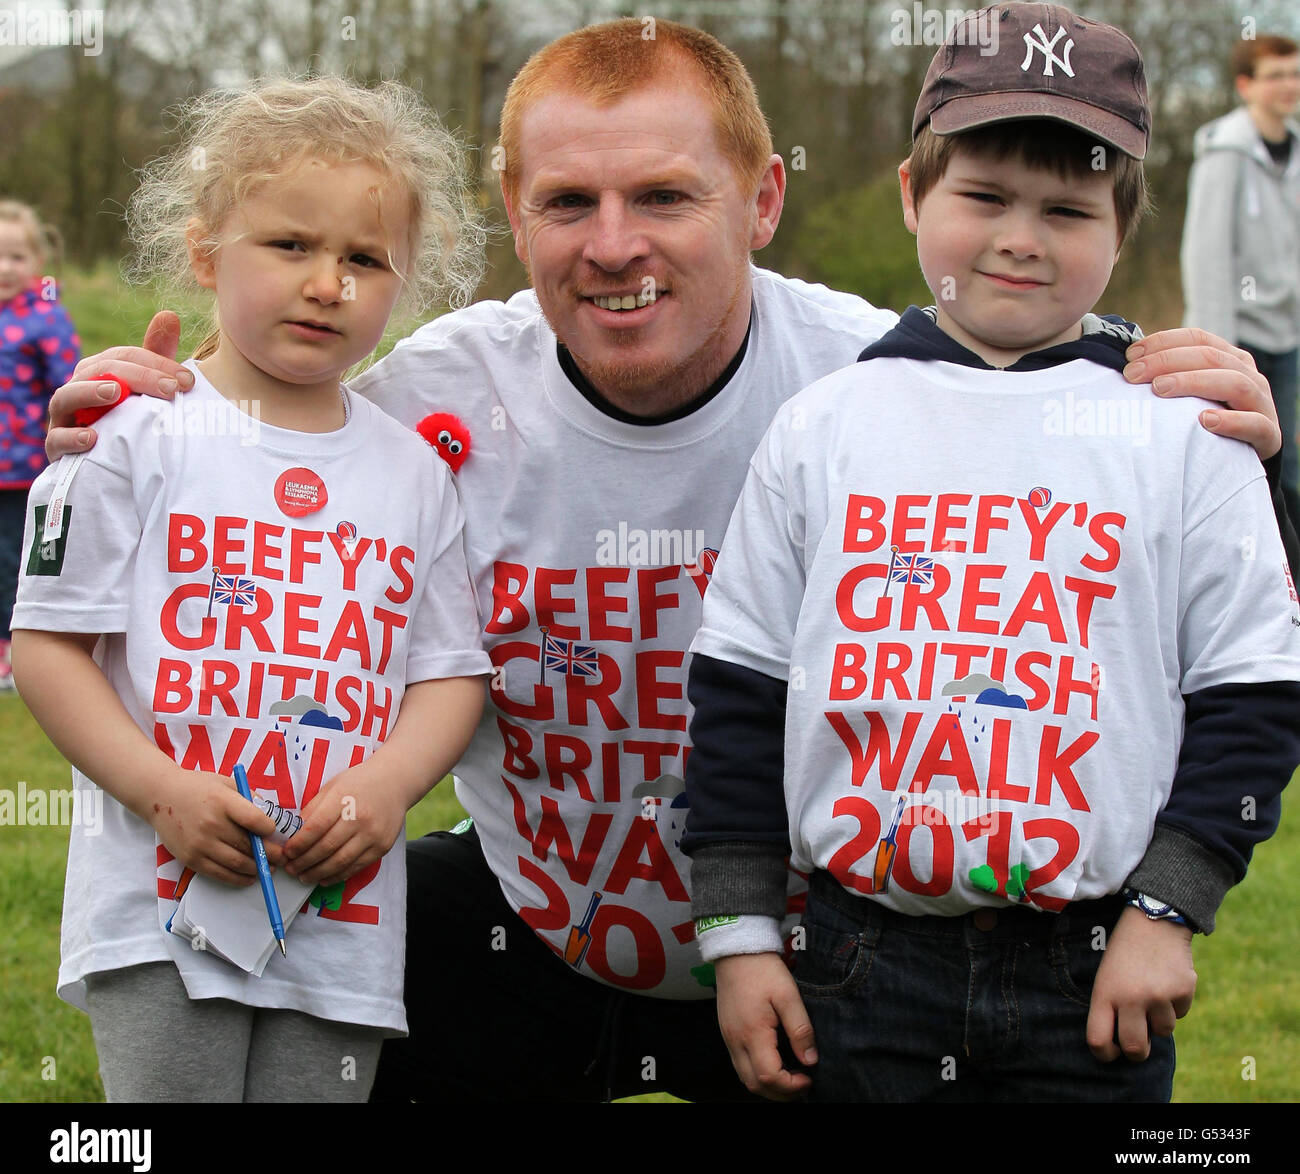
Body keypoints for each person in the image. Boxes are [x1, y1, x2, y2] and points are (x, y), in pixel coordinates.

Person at [40, 19, 1296, 1103]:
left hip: (818, 953)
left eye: (665, 196)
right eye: (567, 203)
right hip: (528, 920)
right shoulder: (427, 402)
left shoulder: (885, 386)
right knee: (368, 936)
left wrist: (1178, 388)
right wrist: (135, 409)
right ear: (510, 208)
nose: (613, 244)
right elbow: (252, 416)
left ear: (761, 199)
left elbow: (1085, 444)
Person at [684, 2, 1300, 1102]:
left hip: (1092, 973)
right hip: (854, 963)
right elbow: (739, 690)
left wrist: (1167, 908)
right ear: (916, 194)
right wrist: (737, 933)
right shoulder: (826, 425)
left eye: (1067, 208)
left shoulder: (1184, 434)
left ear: (1124, 229)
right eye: (983, 197)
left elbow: (1255, 690)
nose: (1021, 236)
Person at [10, 76, 491, 1103]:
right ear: (202, 252)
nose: (328, 283)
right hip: (160, 898)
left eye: (365, 260)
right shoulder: (131, 435)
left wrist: (390, 785)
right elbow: (46, 648)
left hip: (343, 916)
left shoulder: (413, 473)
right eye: (290, 245)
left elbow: (451, 676)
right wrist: (160, 790)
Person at [1182, 33, 1300, 530]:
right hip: (1240, 339)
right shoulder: (1225, 152)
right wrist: (1221, 353)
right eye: (1275, 75)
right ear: (1245, 86)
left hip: (1288, 335)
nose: (1288, 85)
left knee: (1283, 460)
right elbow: (1207, 255)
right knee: (1239, 464)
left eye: (1295, 74)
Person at [0, 200, 80, 692]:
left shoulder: (45, 317)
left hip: (23, 467)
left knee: (13, 557)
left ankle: (14, 652)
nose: (5, 268)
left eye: (16, 257)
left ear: (37, 264)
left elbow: (67, 387)